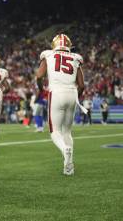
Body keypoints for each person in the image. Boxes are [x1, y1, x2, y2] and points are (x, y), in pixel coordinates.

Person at [36, 34, 85, 176]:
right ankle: (68, 167)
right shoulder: (76, 57)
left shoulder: (48, 55)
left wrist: (41, 89)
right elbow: (81, 85)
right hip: (72, 93)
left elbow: (39, 76)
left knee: (55, 131)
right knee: (67, 132)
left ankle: (65, 150)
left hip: (56, 93)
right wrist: (76, 97)